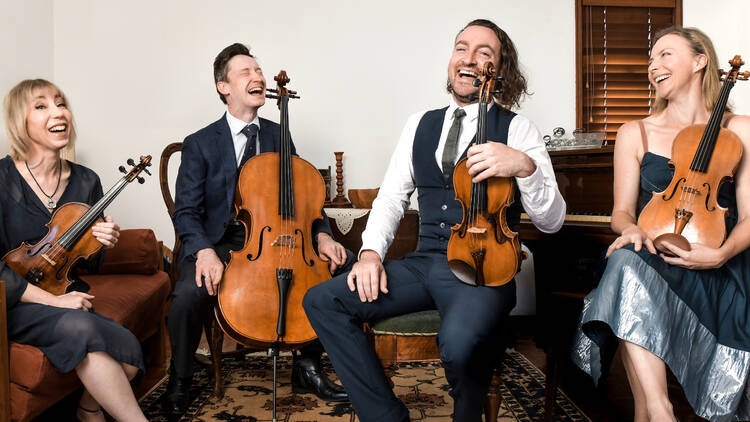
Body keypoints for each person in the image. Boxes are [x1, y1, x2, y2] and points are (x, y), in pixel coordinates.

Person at [303, 19, 565, 422]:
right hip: (423, 262)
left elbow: (552, 222)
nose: (470, 59)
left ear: (499, 69)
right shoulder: (419, 125)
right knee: (323, 300)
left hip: (483, 269)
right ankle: (387, 415)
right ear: (451, 60)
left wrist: (525, 166)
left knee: (459, 344)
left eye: (484, 53)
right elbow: (391, 197)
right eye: (462, 48)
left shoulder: (518, 129)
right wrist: (370, 254)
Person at [571, 26, 750, 422]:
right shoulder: (634, 132)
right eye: (651, 60)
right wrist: (629, 228)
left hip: (720, 267)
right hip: (655, 261)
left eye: (665, 54)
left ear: (700, 61)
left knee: (624, 274)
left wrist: (720, 254)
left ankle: (648, 412)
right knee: (625, 261)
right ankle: (660, 409)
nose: (654, 66)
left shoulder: (739, 129)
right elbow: (621, 212)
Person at [166, 43, 351, 419]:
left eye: (259, 71)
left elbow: (304, 200)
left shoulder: (279, 135)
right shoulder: (200, 143)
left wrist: (323, 236)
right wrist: (202, 252)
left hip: (274, 240)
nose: (258, 77)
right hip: (216, 243)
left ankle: (307, 366)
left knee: (329, 275)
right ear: (224, 87)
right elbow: (186, 211)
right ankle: (180, 379)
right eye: (246, 72)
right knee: (186, 295)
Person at [1, 79, 147, 421]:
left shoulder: (86, 180)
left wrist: (102, 242)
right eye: (41, 106)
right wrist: (52, 301)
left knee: (127, 353)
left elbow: (88, 265)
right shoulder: (2, 178)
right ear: (18, 121)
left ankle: (88, 410)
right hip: (13, 301)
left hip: (68, 292)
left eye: (60, 103)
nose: (57, 112)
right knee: (82, 329)